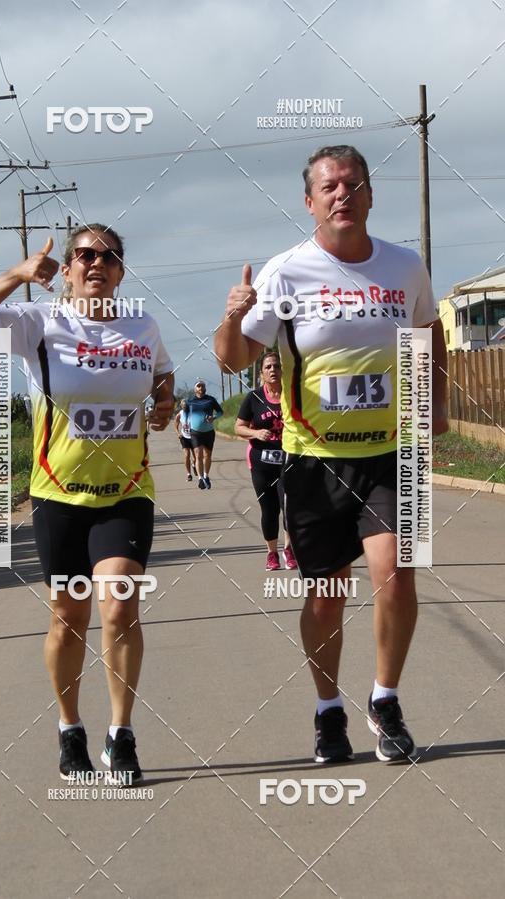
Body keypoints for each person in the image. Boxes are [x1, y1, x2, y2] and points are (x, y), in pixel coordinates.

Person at [215, 145, 448, 764]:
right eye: (330, 187)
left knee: (397, 576)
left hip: (393, 451)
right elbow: (235, 359)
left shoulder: (405, 268)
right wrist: (232, 317)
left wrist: (434, 401)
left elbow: (430, 329)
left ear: (370, 195)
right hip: (312, 460)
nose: (342, 194)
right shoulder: (285, 272)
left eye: (353, 184)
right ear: (311, 202)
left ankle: (386, 697)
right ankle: (328, 711)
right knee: (325, 595)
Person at [0, 224, 174, 782]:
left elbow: (163, 375)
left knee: (120, 606)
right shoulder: (38, 323)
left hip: (126, 494)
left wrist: (165, 404)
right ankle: (69, 726)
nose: (95, 264)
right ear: (67, 269)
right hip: (58, 496)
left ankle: (121, 735)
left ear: (121, 271)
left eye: (108, 257)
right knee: (68, 618)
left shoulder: (142, 326)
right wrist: (16, 276)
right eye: (83, 255)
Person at [235, 351, 297, 571]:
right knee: (269, 510)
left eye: (276, 366)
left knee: (289, 507)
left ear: (282, 370)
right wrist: (256, 433)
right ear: (261, 374)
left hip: (288, 461)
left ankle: (289, 550)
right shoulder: (254, 398)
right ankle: (272, 553)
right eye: (268, 367)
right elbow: (238, 426)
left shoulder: (291, 394)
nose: (273, 370)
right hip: (261, 462)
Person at [186, 380, 223, 489]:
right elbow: (185, 414)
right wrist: (185, 425)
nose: (201, 388)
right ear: (195, 389)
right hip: (195, 432)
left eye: (202, 386)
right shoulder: (190, 401)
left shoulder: (211, 400)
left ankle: (206, 475)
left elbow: (220, 412)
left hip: (209, 432)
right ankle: (200, 479)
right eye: (198, 386)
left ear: (205, 388)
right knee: (198, 455)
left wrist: (214, 417)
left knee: (207, 455)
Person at [175, 399, 197, 481]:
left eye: (186, 406)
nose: (185, 407)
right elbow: (176, 425)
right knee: (187, 455)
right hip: (184, 437)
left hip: (194, 437)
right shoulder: (179, 414)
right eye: (183, 406)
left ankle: (194, 465)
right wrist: (178, 433)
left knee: (196, 457)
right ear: (181, 406)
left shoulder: (193, 412)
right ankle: (189, 474)